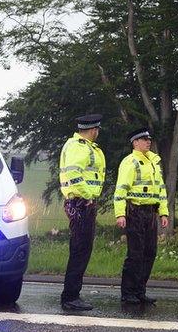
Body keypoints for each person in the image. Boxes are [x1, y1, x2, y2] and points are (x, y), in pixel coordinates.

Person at [114, 127, 169, 305]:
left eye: (149, 139)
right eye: (144, 139)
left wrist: (163, 212)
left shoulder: (153, 163)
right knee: (135, 253)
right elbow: (121, 189)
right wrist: (120, 214)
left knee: (150, 252)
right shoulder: (130, 162)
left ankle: (140, 291)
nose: (148, 142)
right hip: (135, 211)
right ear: (135, 142)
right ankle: (128, 292)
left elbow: (160, 190)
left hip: (150, 213)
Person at [58, 114, 106, 311]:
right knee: (80, 250)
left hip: (81, 202)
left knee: (81, 249)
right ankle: (70, 296)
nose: (98, 133)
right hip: (81, 203)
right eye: (97, 130)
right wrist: (88, 196)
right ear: (93, 130)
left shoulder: (81, 146)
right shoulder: (79, 146)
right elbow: (74, 173)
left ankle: (72, 295)